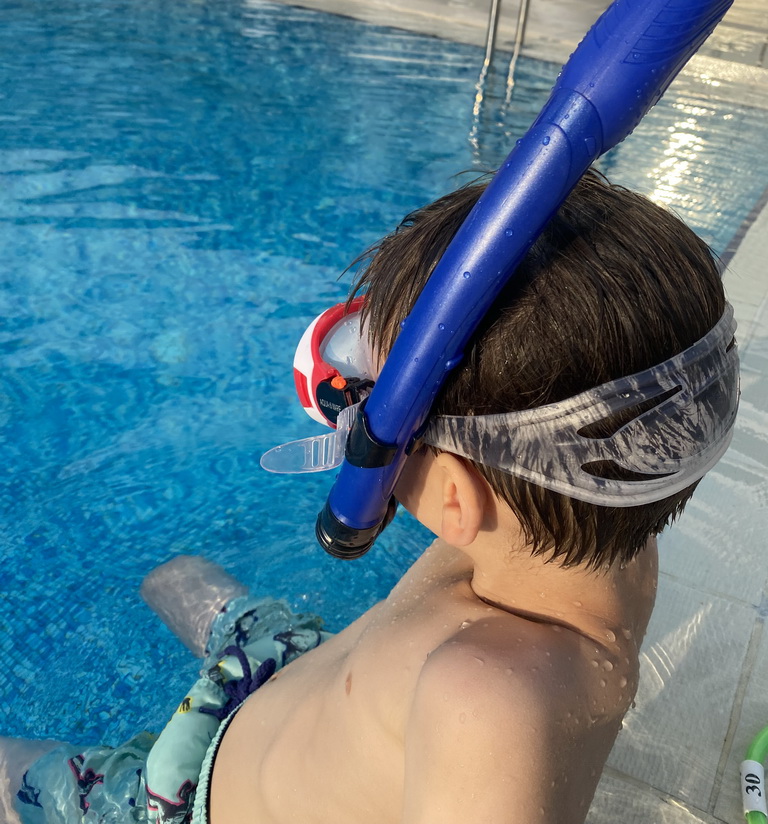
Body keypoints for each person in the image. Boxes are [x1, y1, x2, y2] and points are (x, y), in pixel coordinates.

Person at [1, 168, 738, 824]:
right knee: (176, 578)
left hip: (179, 795)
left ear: (456, 497)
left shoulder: (487, 705)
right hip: (287, 665)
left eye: (376, 414)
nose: (358, 423)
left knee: (13, 772)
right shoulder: (599, 534)